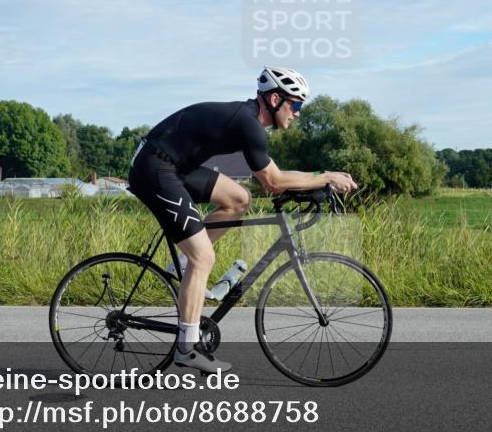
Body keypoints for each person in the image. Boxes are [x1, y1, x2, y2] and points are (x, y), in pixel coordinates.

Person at [127, 66, 357, 373]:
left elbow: (274, 176)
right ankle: (186, 348)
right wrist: (325, 176)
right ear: (274, 99)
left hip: (176, 166)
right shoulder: (249, 124)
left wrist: (320, 178)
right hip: (154, 168)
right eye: (296, 104)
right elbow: (274, 181)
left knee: (239, 199)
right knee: (203, 257)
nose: (298, 113)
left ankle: (181, 264)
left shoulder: (249, 121)